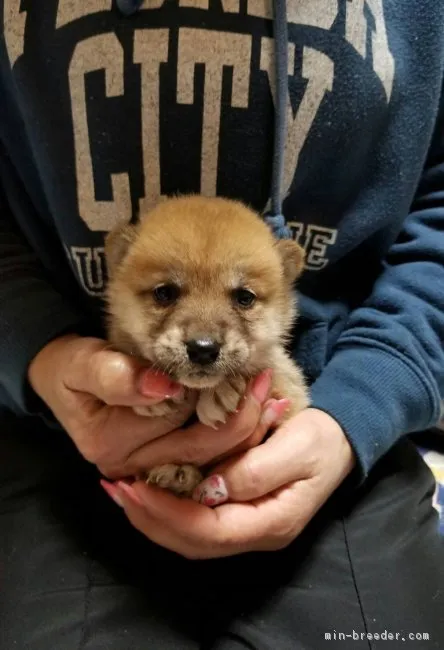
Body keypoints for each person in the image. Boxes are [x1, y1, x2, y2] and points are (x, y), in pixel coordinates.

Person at [1, 1, 443, 648]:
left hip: (341, 423)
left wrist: (355, 412)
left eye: (242, 299)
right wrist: (37, 352)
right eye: (163, 293)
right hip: (50, 434)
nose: (204, 337)